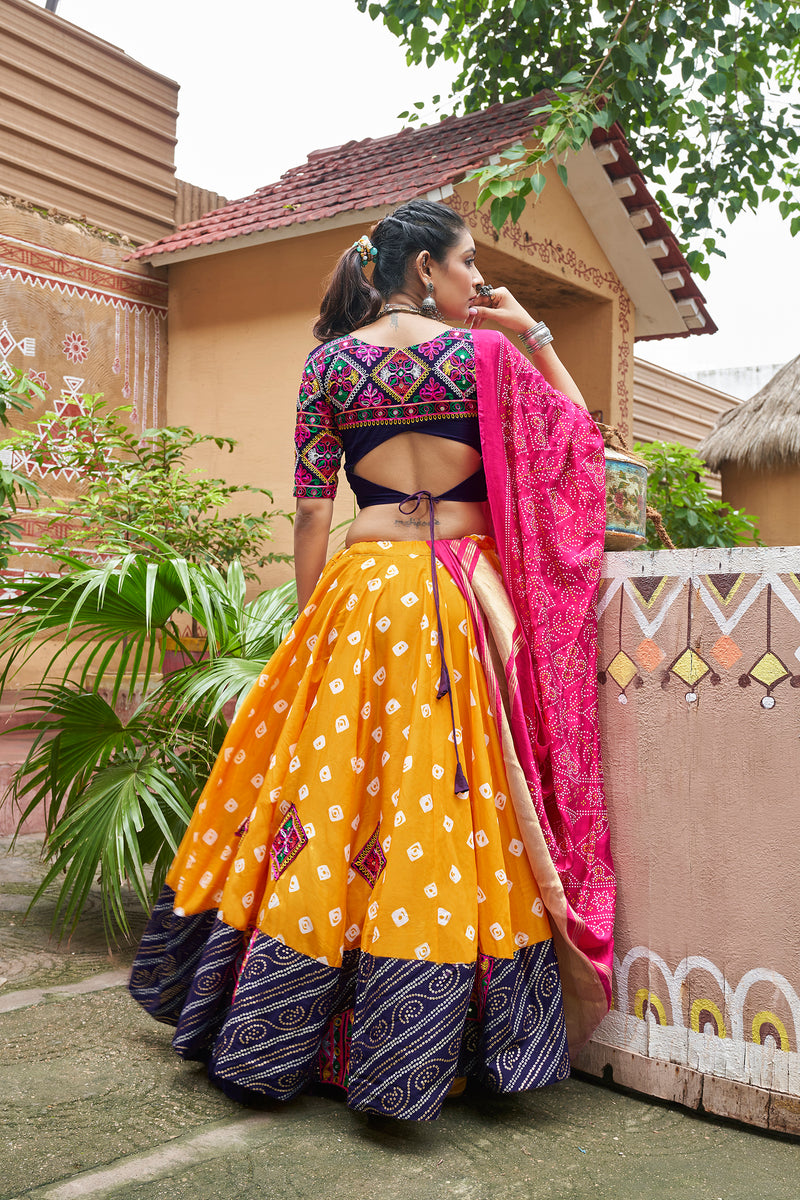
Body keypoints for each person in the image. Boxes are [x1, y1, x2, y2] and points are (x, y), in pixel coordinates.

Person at [130, 200, 615, 1123]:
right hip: (461, 595)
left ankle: (278, 1023)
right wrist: (537, 333)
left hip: (359, 593)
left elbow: (311, 512)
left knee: (326, 800)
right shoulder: (487, 358)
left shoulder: (329, 362)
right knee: (444, 802)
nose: (479, 280)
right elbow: (580, 447)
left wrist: (313, 623)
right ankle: (421, 1041)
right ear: (427, 267)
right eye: (469, 263)